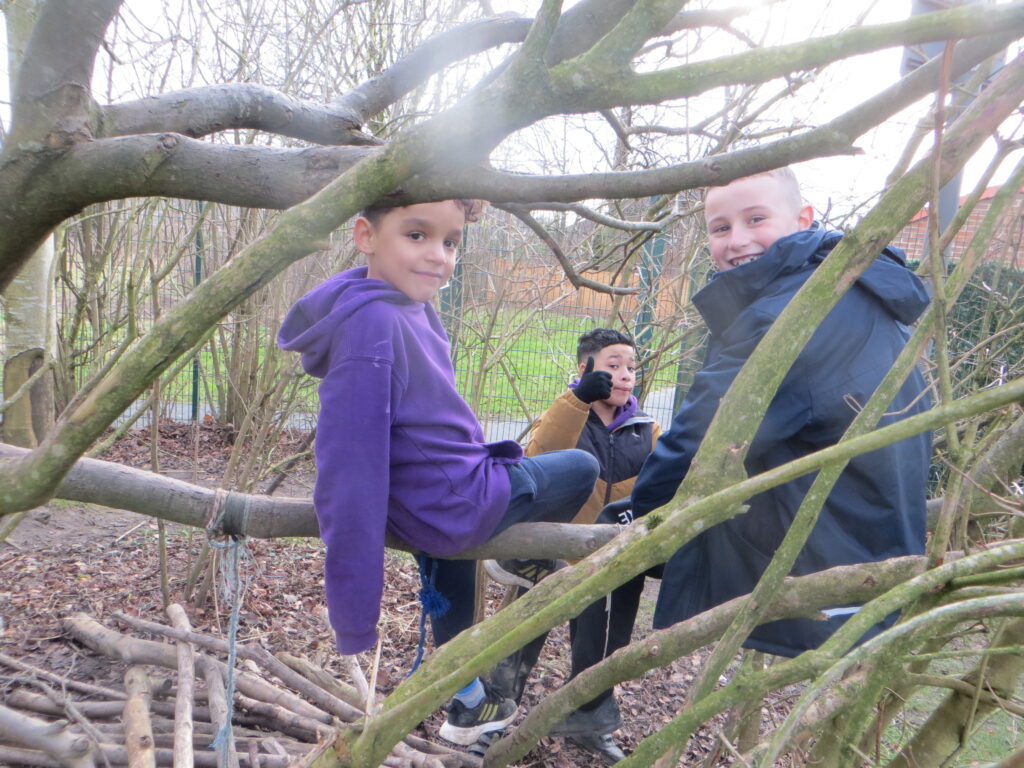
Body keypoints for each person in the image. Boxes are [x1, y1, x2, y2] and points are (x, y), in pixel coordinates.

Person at [577, 167, 933, 754]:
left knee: (623, 527)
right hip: (879, 531)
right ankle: (591, 705)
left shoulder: (786, 314)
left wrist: (647, 522)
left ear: (804, 219)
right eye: (720, 227)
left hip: (826, 547)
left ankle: (586, 700)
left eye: (755, 219)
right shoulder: (852, 285)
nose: (735, 240)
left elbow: (699, 439)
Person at [277, 198, 599, 747]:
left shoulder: (402, 305)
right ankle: (515, 556)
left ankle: (467, 700)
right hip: (456, 502)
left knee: (451, 562)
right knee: (580, 466)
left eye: (450, 242)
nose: (438, 256)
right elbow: (348, 474)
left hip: (432, 504)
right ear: (365, 235)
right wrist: (355, 615)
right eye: (417, 235)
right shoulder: (375, 325)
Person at [482, 328, 661, 763]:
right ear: (586, 369)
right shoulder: (565, 415)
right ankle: (490, 720)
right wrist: (578, 400)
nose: (625, 376)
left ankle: (588, 721)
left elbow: (658, 491)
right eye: (613, 366)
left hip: (613, 560)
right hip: (551, 556)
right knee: (519, 639)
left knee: (604, 646)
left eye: (631, 368)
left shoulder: (647, 430)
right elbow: (536, 459)